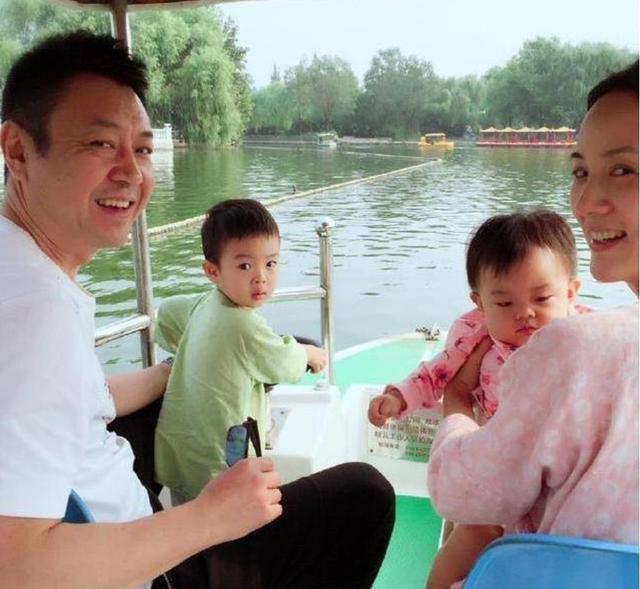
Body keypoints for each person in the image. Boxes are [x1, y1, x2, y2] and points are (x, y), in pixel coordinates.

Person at [0, 32, 394, 589]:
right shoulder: (32, 314)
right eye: (100, 144)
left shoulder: (20, 268)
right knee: (364, 496)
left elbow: (74, 398)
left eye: (141, 149)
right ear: (18, 151)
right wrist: (209, 519)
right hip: (143, 571)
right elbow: (15, 568)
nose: (132, 173)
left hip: (118, 507)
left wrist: (174, 370)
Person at [426, 60, 638, 589]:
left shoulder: (580, 351)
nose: (586, 203)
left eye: (624, 170)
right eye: (580, 171)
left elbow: (460, 493)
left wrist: (457, 407)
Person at [368, 209, 589, 588]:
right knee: (472, 530)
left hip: (554, 468)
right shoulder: (475, 336)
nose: (525, 313)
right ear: (480, 303)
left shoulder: (588, 335)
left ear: (569, 293)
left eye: (542, 298)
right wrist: (399, 398)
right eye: (504, 304)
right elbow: (437, 373)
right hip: (491, 456)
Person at [154, 198, 327, 504]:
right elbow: (285, 364)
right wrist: (311, 355)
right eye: (245, 265)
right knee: (226, 525)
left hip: (182, 458)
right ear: (212, 271)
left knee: (192, 520)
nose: (261, 277)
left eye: (270, 263)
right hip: (219, 469)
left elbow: (167, 314)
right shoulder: (244, 326)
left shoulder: (204, 304)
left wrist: (195, 346)